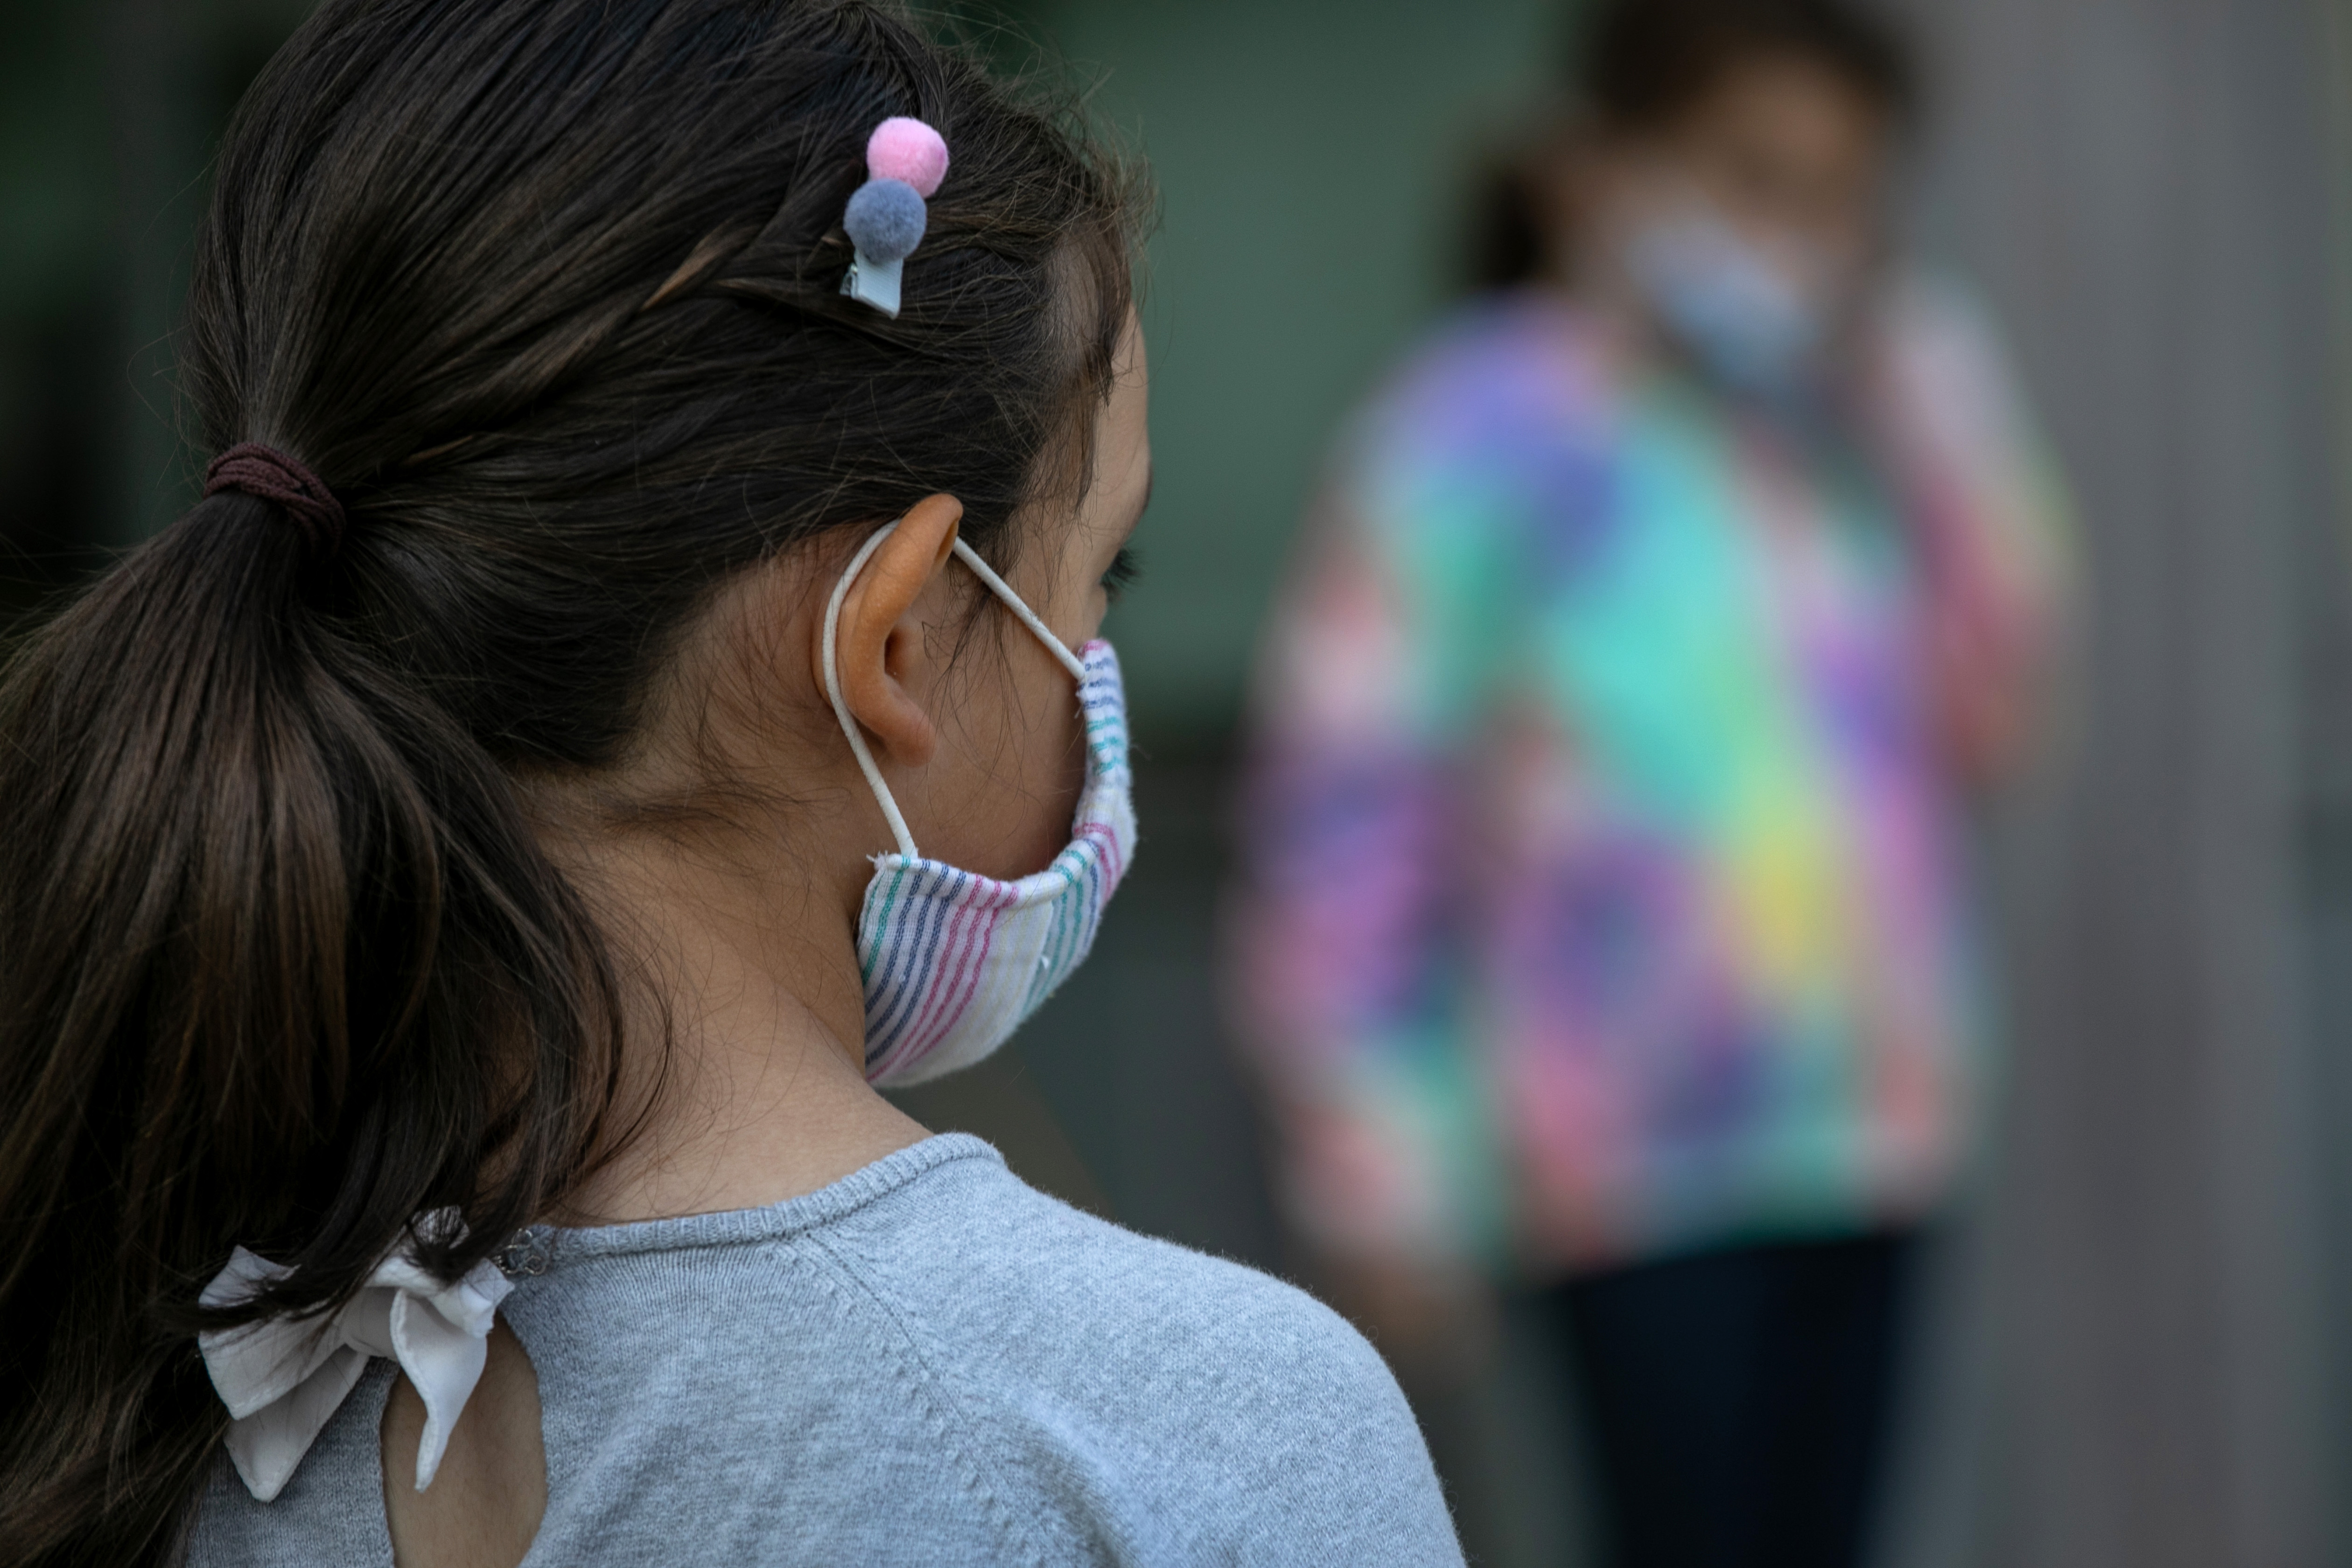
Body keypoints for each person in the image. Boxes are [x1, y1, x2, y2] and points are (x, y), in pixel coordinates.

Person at [0, 4, 1466, 1565]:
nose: (1093, 661)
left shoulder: (141, 1376)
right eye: (1107, 568)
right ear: (895, 637)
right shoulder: (1187, 1435)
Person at [1227, 0, 2066, 1564]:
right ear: (1594, 171)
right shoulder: (1476, 427)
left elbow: (1998, 708)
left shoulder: (1845, 425)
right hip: (1631, 1162)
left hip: (1872, 1137)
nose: (1800, 236)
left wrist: (1938, 398)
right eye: (1755, 177)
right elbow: (1350, 814)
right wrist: (1376, 1160)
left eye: (1841, 197)